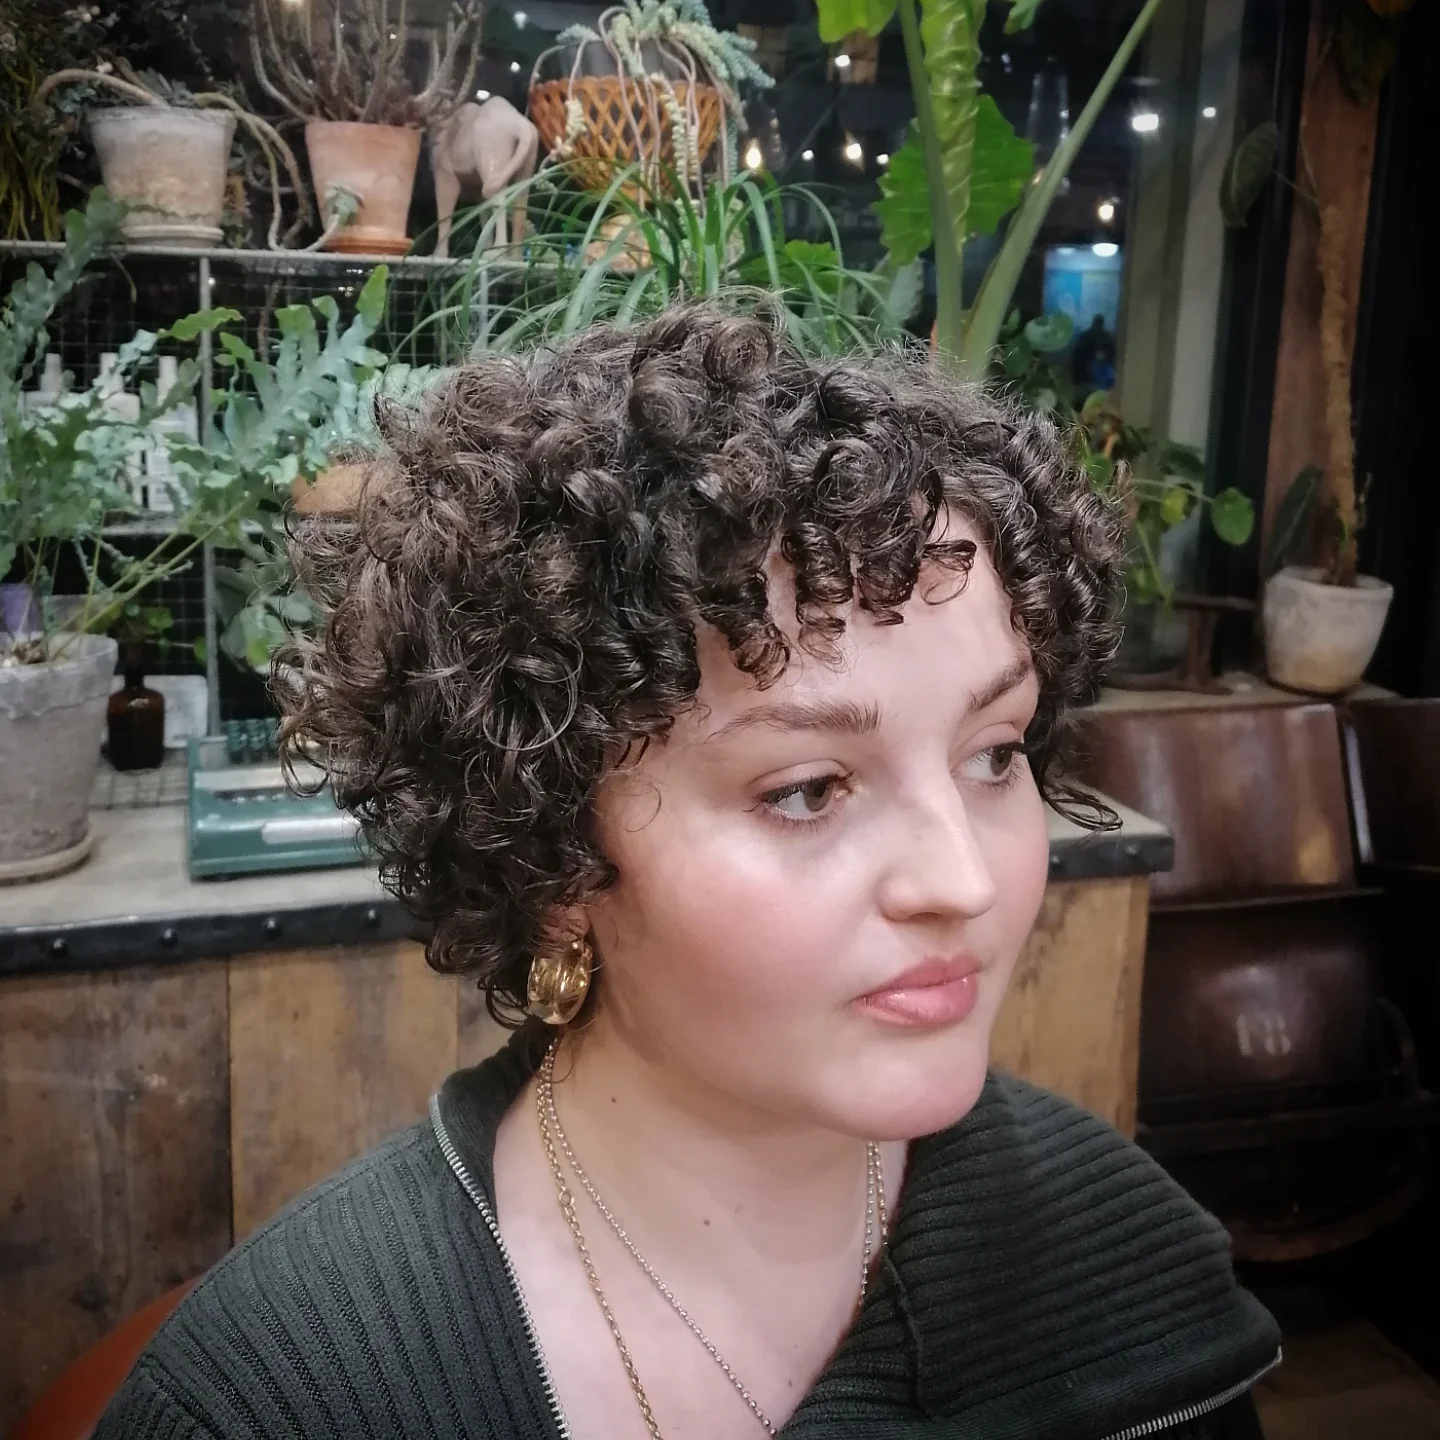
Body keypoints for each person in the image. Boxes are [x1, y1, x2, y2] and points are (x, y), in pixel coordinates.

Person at [96, 304, 1279, 1440]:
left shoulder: (1139, 1290)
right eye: (808, 790)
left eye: (995, 755)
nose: (963, 882)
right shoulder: (284, 1400)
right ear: (551, 852)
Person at [1071, 312, 1118, 392]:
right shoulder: (1107, 337)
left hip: (1085, 373)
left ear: (1094, 322)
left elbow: (1078, 355)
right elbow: (1112, 353)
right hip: (1100, 373)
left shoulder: (1086, 335)